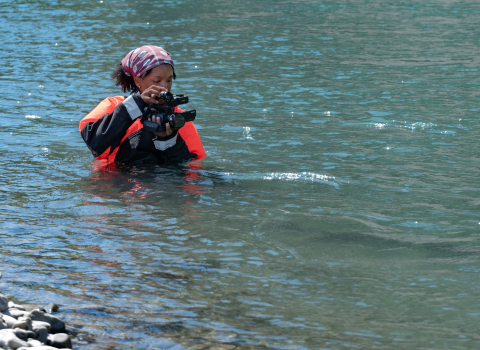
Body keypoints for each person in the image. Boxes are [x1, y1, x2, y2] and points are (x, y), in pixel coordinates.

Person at [79, 45, 206, 165]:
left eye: (169, 80)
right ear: (138, 81)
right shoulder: (114, 106)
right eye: (157, 81)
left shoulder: (177, 117)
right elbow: (95, 145)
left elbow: (193, 166)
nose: (164, 87)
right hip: (118, 181)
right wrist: (135, 104)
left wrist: (169, 141)